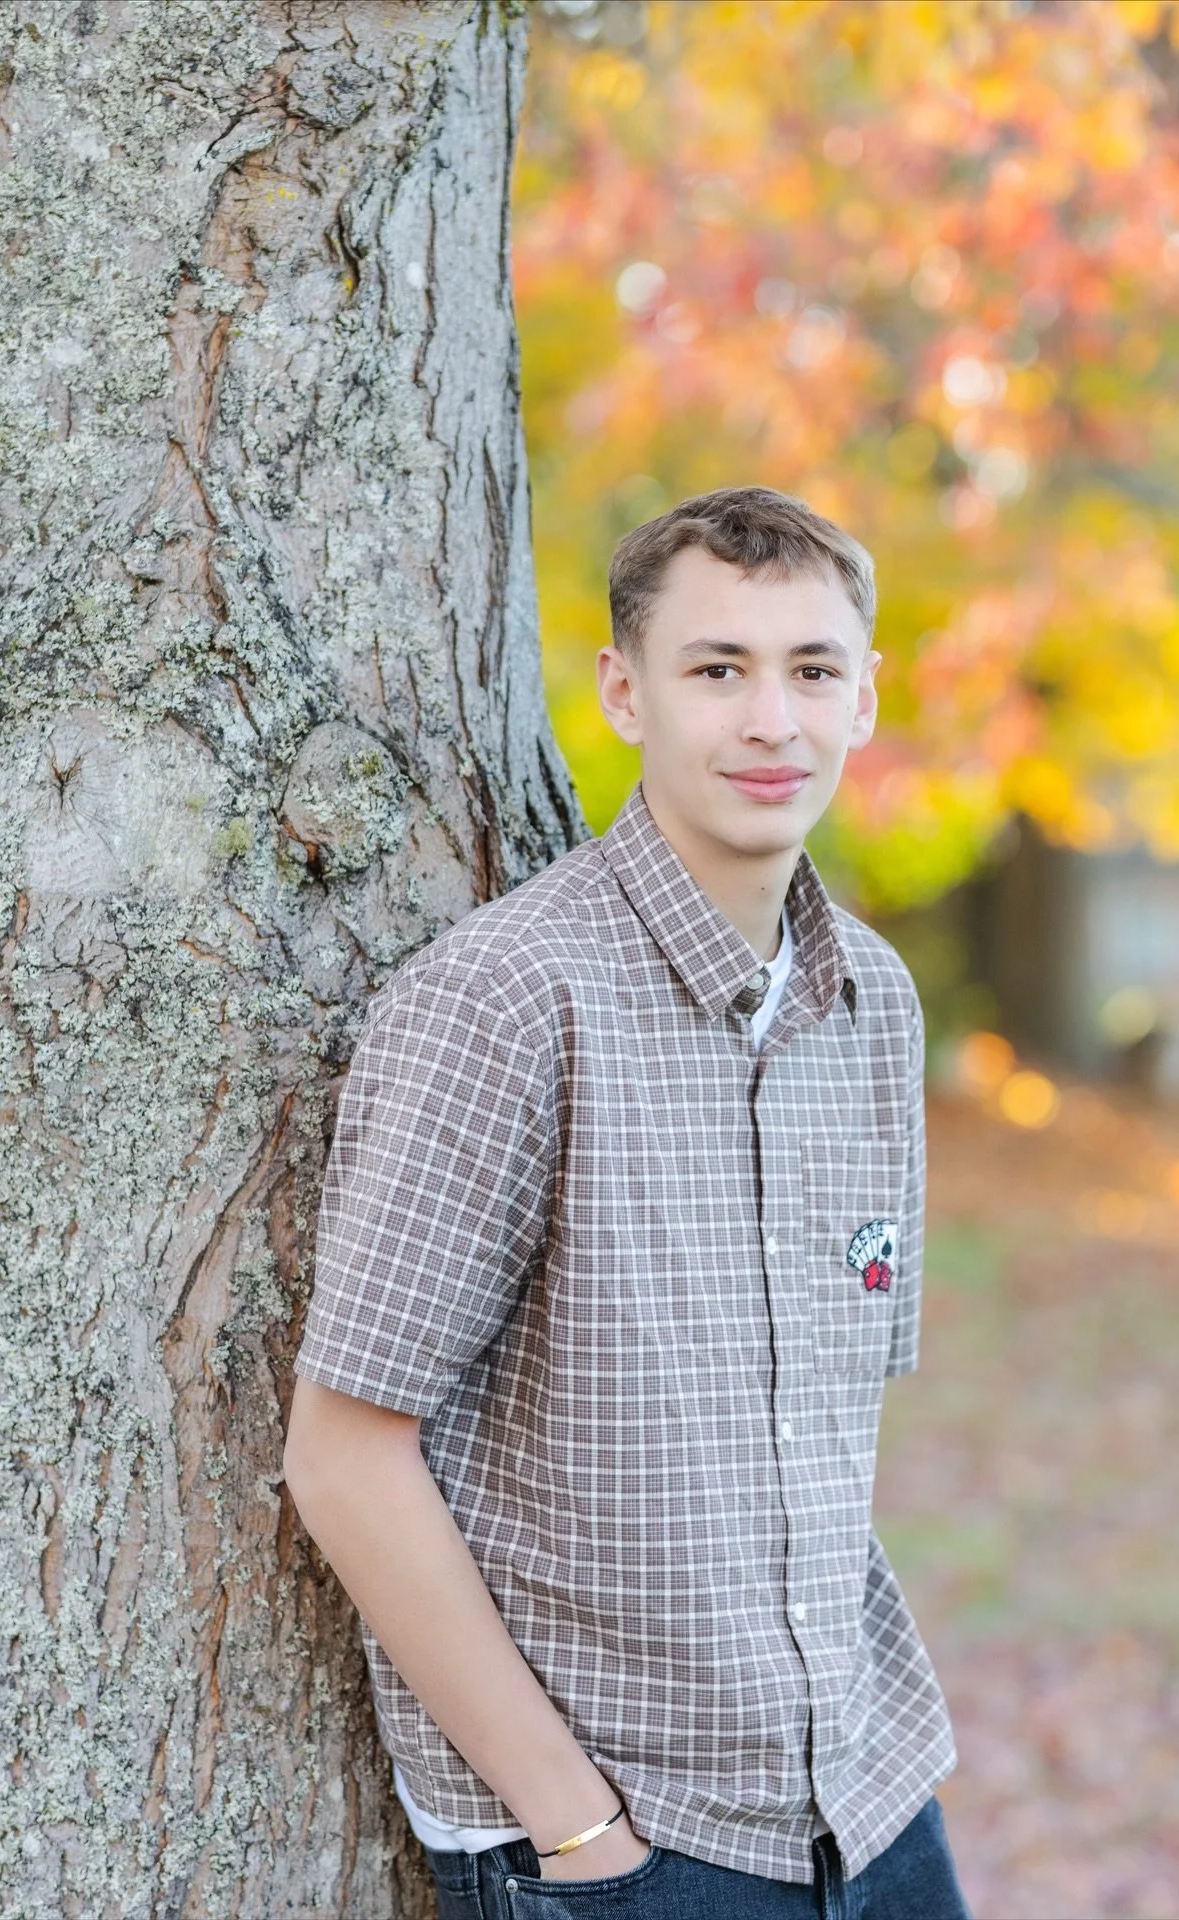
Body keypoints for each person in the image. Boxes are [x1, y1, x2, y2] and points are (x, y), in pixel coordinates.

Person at [284, 486, 973, 1918]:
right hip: (631, 1838)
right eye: (717, 669)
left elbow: (816, 1430)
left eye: (811, 670)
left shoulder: (877, 1008)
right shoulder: (503, 1003)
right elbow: (345, 1455)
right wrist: (577, 1827)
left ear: (865, 700)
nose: (770, 720)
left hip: (868, 1799)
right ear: (624, 692)